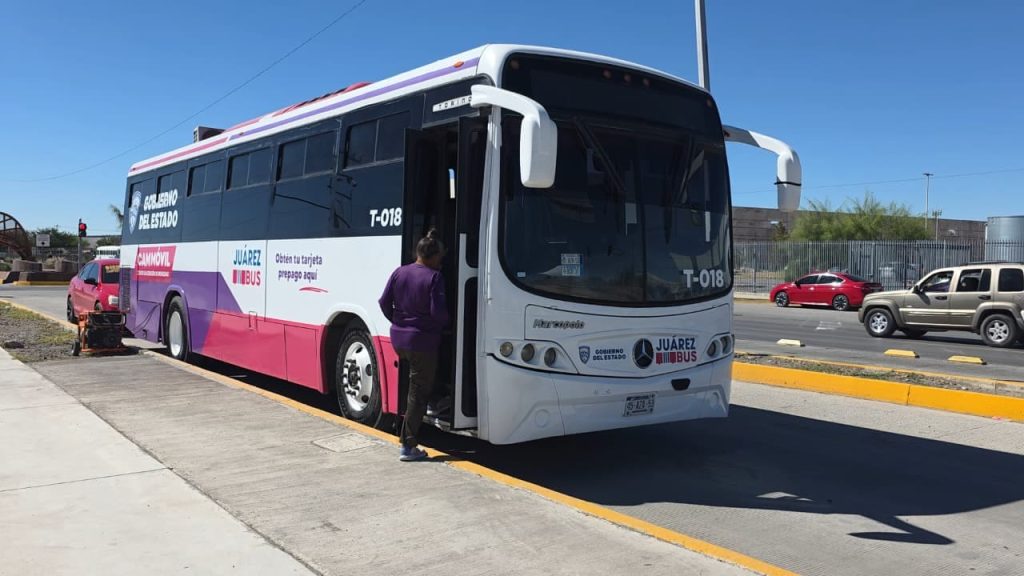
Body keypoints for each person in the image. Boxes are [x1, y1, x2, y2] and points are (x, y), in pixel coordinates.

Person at [378, 229, 449, 461]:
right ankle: (408, 445)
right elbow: (438, 314)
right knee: (418, 392)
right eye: (440, 257)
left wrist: (399, 323)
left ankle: (409, 420)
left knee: (411, 386)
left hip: (399, 339)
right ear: (432, 256)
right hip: (422, 342)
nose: (440, 261)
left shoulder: (400, 272)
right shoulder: (434, 277)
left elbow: (384, 302)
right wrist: (444, 326)